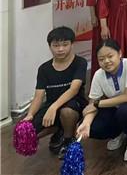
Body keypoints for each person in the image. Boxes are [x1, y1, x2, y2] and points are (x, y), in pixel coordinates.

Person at [76, 39, 127, 162]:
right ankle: (118, 133)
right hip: (118, 109)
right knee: (93, 127)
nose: (106, 61)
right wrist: (86, 123)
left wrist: (98, 104)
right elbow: (92, 104)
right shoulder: (98, 75)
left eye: (110, 56)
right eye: (101, 59)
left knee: (125, 110)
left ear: (120, 53)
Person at [22, 27, 87, 158]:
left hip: (74, 104)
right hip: (51, 105)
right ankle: (60, 130)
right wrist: (30, 115)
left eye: (65, 45)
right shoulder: (44, 68)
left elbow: (73, 89)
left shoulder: (80, 62)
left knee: (67, 112)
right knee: (28, 132)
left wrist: (54, 107)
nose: (60, 49)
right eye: (56, 46)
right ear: (50, 46)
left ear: (72, 44)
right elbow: (38, 96)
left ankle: (68, 141)